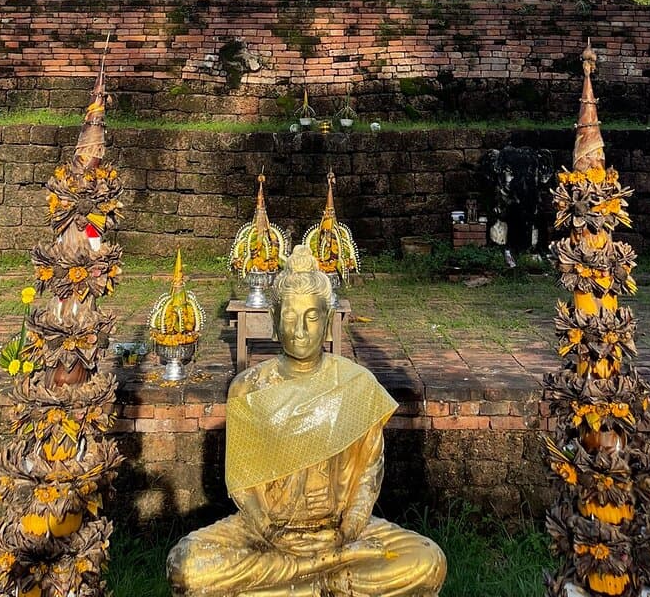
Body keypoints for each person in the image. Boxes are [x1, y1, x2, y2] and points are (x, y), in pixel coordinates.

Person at [167, 246, 446, 597]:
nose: (300, 330)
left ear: (328, 322)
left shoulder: (355, 385)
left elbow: (367, 477)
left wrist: (347, 530)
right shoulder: (249, 388)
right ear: (273, 318)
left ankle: (300, 581)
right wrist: (270, 531)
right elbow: (240, 483)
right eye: (290, 317)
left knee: (427, 559)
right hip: (267, 534)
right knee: (186, 565)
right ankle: (321, 578)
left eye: (312, 318)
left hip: (340, 533)